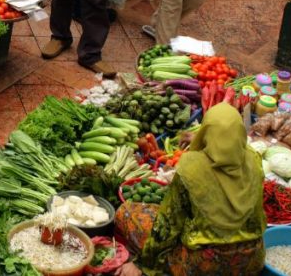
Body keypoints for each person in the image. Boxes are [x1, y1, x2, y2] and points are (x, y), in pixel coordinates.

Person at [114, 103, 266, 276]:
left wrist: (142, 263)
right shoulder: (254, 160)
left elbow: (168, 223)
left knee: (127, 212)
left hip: (204, 265)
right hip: (252, 260)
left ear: (206, 131)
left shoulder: (191, 167)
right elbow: (231, 146)